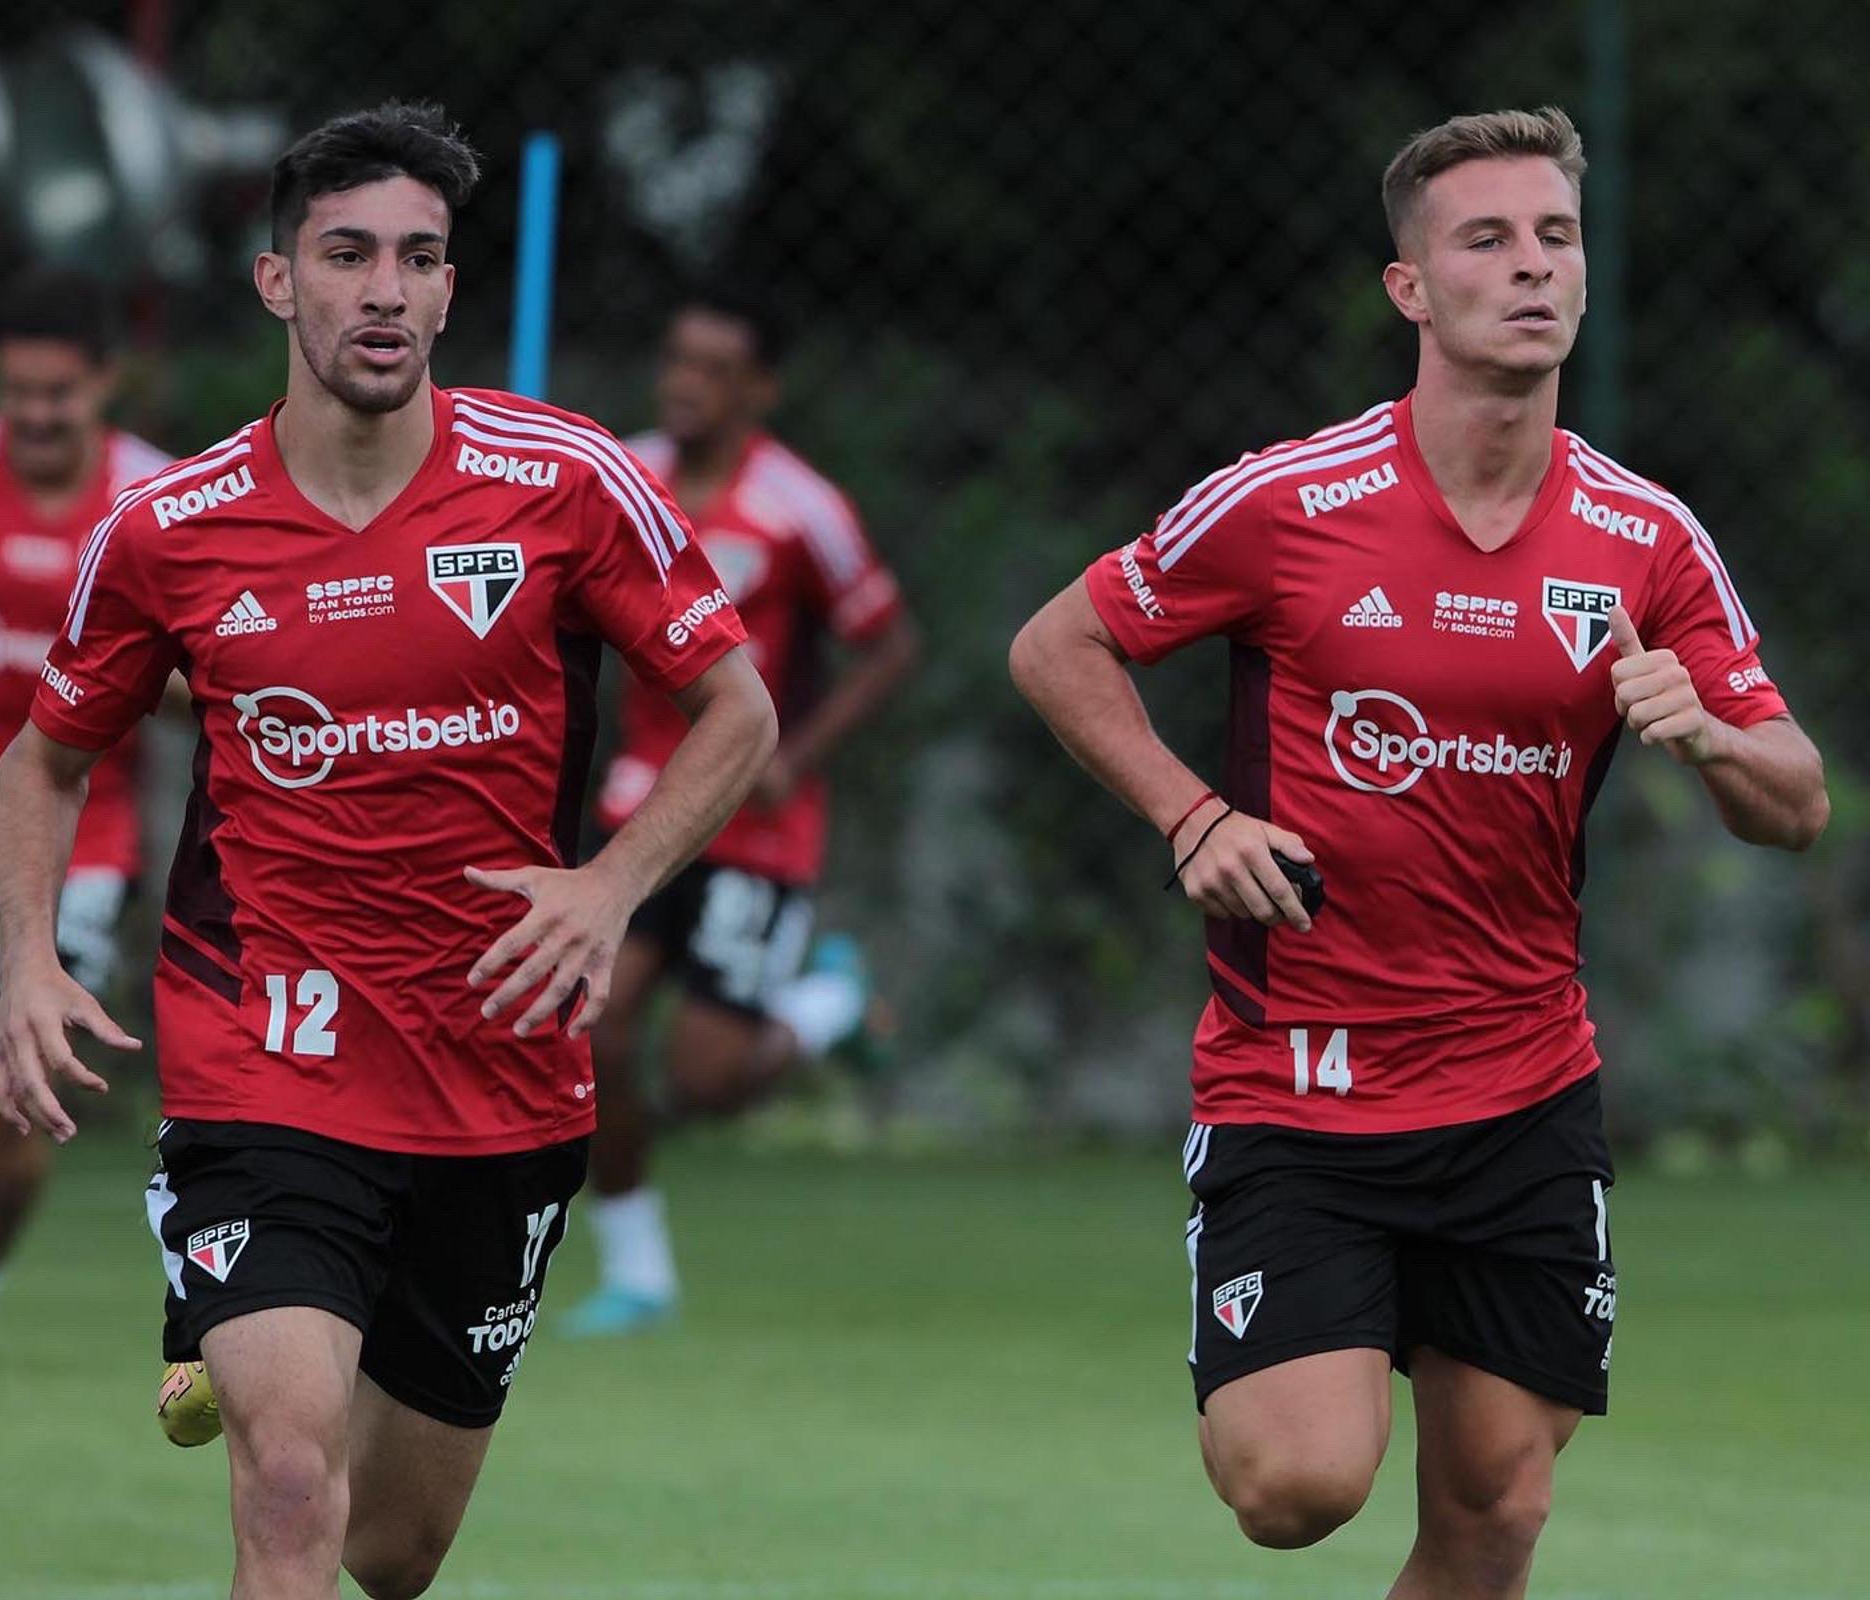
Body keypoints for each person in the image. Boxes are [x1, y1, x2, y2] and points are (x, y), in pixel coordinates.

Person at [1008, 106, 1827, 1600]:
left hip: (1523, 1088)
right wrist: (1192, 815)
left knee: (1496, 1508)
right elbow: (1059, 643)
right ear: (1411, 290)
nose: (1533, 269)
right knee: (1297, 1482)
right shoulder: (1288, 501)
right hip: (1302, 1085)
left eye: (1557, 237)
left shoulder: (1646, 539)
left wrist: (1711, 734)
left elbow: (1799, 795)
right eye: (1488, 240)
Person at [0, 101, 775, 1600]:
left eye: (418, 259)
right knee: (287, 1480)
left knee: (393, 1553)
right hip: (265, 1049)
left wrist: (612, 886)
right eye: (346, 255)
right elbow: (50, 752)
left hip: (501, 1069)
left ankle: (241, 1335)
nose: (385, 290)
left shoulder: (566, 479)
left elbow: (733, 704)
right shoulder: (168, 528)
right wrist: (29, 963)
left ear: (451, 290)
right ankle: (237, 1313)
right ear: (279, 280)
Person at [560, 290, 917, 1337]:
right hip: (641, 805)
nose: (683, 383)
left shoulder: (801, 507)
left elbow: (891, 645)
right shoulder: (617, 477)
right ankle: (638, 1272)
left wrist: (791, 757)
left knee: (707, 1080)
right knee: (589, 1028)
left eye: (713, 368)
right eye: (675, 359)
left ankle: (829, 1011)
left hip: (758, 827)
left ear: (758, 390)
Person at [0, 269, 171, 1393]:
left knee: (19, 1088)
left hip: (73, 845)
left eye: (61, 394)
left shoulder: (156, 503)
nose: (36, 415)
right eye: (17, 391)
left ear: (105, 384)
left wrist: (116, 677)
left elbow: (218, 674)